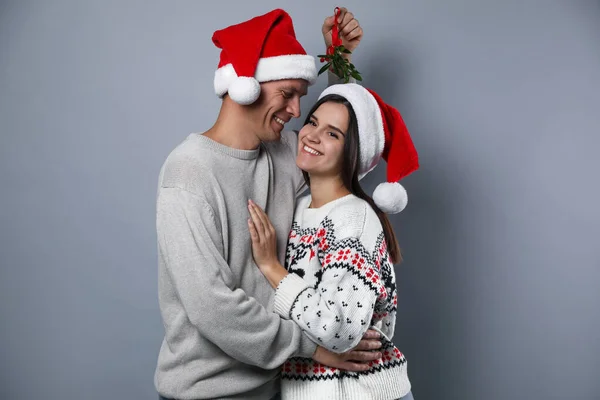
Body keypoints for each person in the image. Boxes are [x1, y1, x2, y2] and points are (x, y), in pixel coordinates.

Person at [154, 8, 383, 400]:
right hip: (206, 394)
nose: (296, 112)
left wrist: (338, 59)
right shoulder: (188, 173)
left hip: (274, 388)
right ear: (246, 85)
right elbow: (212, 307)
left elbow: (340, 150)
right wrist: (314, 348)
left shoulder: (281, 155)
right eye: (287, 94)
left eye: (301, 97)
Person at [247, 83, 419, 399]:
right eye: (312, 123)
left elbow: (339, 329)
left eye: (332, 134)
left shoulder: (354, 218)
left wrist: (272, 268)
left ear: (353, 151)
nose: (311, 135)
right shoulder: (298, 209)